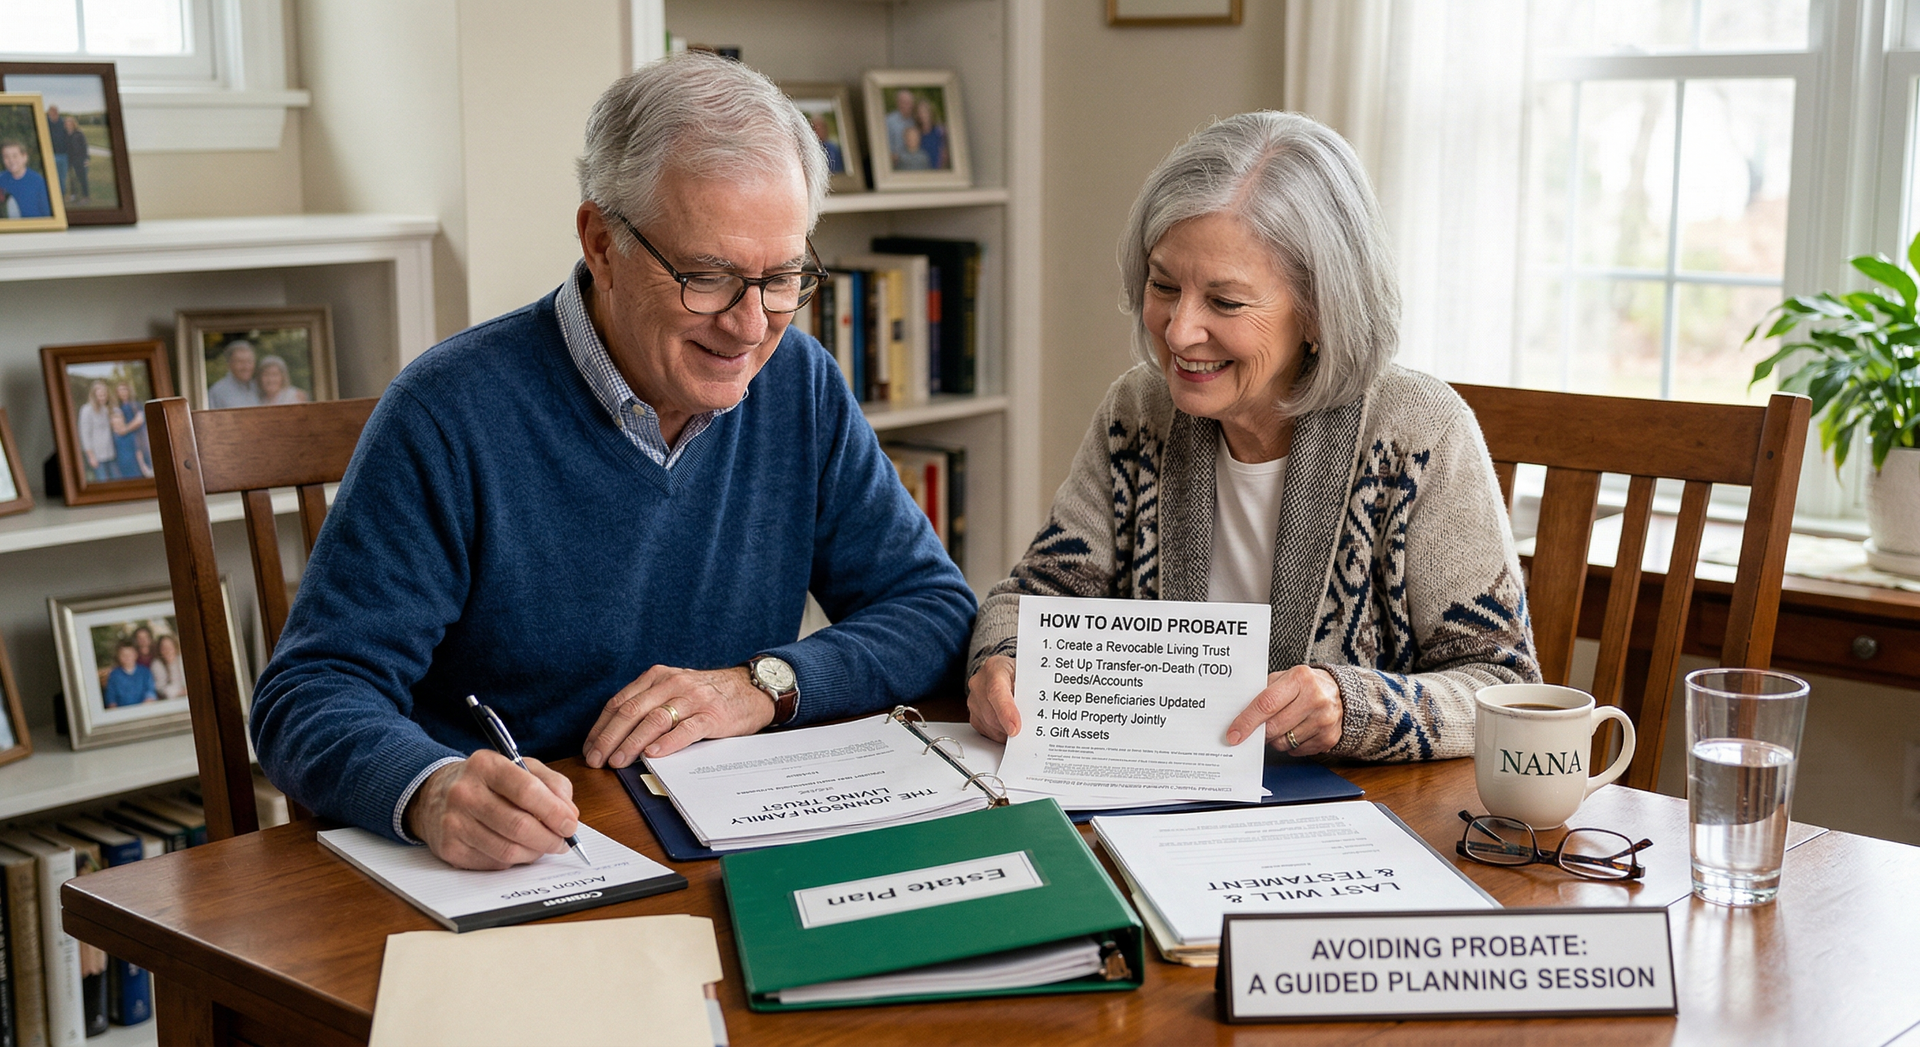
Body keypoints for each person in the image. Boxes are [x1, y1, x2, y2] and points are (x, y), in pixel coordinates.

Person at [251, 51, 977, 871]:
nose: (750, 326)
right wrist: (432, 790)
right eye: (708, 277)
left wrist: (763, 684)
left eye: (782, 278)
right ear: (601, 241)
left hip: (719, 848)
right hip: (518, 869)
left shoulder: (799, 384)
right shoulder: (446, 413)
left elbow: (932, 608)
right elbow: (308, 693)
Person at [967, 112, 1539, 763]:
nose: (1179, 332)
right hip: (1154, 805)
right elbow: (1030, 601)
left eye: (1226, 302)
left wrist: (1350, 706)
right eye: (1163, 285)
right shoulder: (1137, 411)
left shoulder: (1421, 431)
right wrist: (1003, 662)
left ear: (1321, 311)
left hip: (1363, 824)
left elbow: (1506, 688)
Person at [75, 379, 118, 481]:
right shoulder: (86, 410)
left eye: (104, 394)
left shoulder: (106, 409)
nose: (102, 397)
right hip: (97, 455)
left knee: (116, 481)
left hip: (110, 453)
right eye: (100, 395)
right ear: (94, 396)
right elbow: (85, 434)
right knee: (103, 481)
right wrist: (91, 456)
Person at [0, 140, 53, 219]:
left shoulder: (38, 182)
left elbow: (47, 213)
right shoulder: (1, 180)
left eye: (15, 156)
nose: (11, 160)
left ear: (24, 157)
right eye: (6, 157)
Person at [110, 380, 151, 478]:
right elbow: (115, 420)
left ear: (128, 390)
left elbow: (139, 420)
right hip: (125, 441)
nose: (122, 392)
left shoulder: (135, 405)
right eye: (120, 390)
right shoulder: (119, 407)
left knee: (141, 465)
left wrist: (125, 429)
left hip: (138, 437)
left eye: (124, 389)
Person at [206, 341, 263, 408]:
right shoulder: (217, 392)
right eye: (240, 362)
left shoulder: (258, 387)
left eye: (249, 361)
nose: (246, 367)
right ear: (229, 364)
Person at [102, 640, 156, 708]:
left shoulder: (145, 672)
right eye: (123, 655)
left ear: (136, 655)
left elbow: (150, 692)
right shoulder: (114, 675)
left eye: (130, 654)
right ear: (118, 656)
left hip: (143, 709)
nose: (127, 657)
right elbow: (111, 698)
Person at [885, 88, 917, 168]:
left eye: (909, 103)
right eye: (904, 102)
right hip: (893, 165)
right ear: (898, 103)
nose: (907, 105)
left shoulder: (914, 121)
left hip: (912, 164)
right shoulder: (888, 121)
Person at [150, 634, 188, 701]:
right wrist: (179, 692)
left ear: (175, 647)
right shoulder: (156, 664)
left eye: (170, 647)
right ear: (159, 650)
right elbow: (160, 688)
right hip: (170, 700)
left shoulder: (183, 660)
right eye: (164, 648)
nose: (167, 650)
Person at [62, 115, 89, 203]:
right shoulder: (64, 134)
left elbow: (84, 146)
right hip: (69, 159)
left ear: (73, 124)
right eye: (66, 123)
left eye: (70, 122)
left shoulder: (79, 134)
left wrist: (86, 158)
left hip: (79, 159)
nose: (68, 124)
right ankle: (73, 195)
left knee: (82, 178)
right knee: (71, 178)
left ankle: (86, 196)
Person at [45, 106, 69, 199]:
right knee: (52, 176)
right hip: (51, 154)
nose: (54, 114)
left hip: (63, 154)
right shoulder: (45, 123)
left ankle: (61, 195)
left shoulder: (62, 123)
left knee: (62, 177)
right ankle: (52, 195)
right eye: (52, 112)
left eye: (55, 112)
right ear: (49, 113)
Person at [916, 99, 947, 170]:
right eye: (920, 112)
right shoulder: (917, 134)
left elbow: (944, 154)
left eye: (924, 111)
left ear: (930, 113)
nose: (922, 115)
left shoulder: (940, 131)